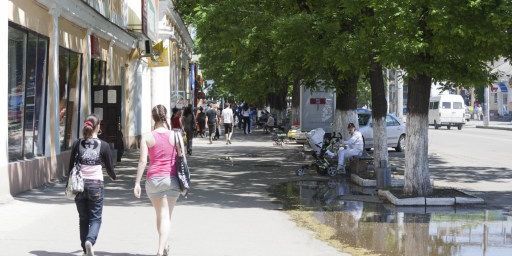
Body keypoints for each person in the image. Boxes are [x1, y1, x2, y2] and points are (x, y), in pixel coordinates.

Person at [134, 105, 184, 256]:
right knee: (166, 216)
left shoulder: (147, 136)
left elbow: (143, 161)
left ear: (152, 118)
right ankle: (161, 250)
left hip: (153, 180)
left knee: (160, 215)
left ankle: (164, 245)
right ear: (166, 116)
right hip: (172, 179)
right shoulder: (176, 136)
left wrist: (137, 182)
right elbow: (182, 157)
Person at [69, 114, 116, 256]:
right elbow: (109, 168)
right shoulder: (104, 145)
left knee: (83, 218)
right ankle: (90, 240)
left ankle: (85, 249)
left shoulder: (77, 143)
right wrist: (114, 177)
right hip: (96, 185)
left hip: (80, 186)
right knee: (96, 218)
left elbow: (71, 166)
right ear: (98, 127)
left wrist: (68, 184)